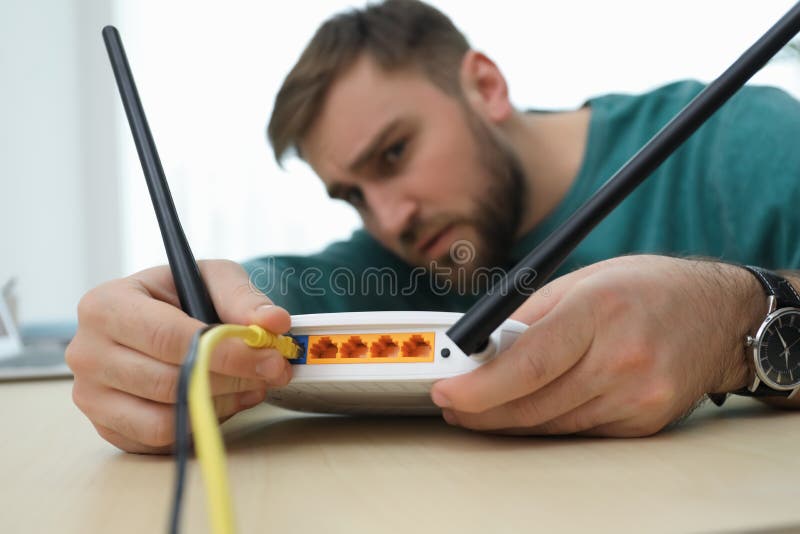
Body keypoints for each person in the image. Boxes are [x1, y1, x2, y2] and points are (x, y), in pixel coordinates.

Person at [66, 0, 800, 454]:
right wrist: (168, 319)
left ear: (485, 85)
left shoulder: (740, 141)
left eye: (394, 153)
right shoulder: (412, 255)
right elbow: (262, 295)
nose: (388, 217)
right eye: (351, 194)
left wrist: (731, 325)